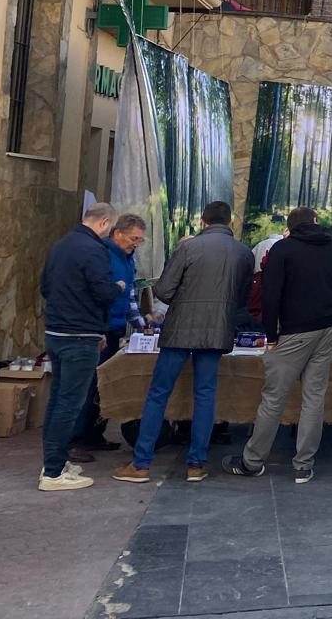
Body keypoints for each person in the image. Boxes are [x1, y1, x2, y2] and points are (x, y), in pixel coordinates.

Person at [113, 201, 253, 485]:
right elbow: (243, 297)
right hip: (217, 331)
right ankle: (196, 465)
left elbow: (163, 290)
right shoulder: (244, 253)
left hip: (180, 330)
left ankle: (141, 465)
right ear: (230, 221)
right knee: (205, 395)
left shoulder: (188, 248)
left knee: (158, 393)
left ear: (203, 221)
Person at [225, 206, 332, 483]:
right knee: (314, 397)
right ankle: (304, 465)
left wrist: (271, 335)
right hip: (327, 326)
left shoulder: (283, 249)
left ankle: (252, 461)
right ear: (315, 221)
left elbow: (270, 295)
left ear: (290, 226)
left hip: (293, 331)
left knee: (274, 398)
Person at [38, 203, 124, 490]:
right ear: (105, 223)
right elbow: (103, 291)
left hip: (56, 332)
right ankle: (53, 473)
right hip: (79, 336)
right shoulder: (94, 250)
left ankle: (55, 462)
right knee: (70, 403)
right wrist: (120, 287)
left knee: (58, 400)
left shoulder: (60, 245)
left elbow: (46, 287)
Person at [73, 213, 147, 458]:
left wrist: (139, 323)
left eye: (140, 240)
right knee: (92, 385)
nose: (136, 243)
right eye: (134, 238)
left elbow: (131, 295)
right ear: (117, 233)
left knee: (104, 386)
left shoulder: (128, 258)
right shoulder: (102, 255)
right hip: (100, 330)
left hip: (115, 329)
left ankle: (94, 434)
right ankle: (78, 439)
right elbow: (98, 295)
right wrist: (99, 329)